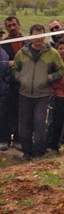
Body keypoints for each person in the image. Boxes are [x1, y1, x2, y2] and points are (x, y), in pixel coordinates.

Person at [13, 24, 64, 159]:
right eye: (36, 36)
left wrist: (48, 78)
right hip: (24, 93)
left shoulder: (52, 53)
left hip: (43, 94)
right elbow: (15, 68)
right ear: (31, 36)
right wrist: (20, 78)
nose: (39, 39)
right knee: (24, 124)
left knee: (40, 123)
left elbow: (62, 70)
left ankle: (38, 152)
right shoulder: (22, 53)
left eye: (41, 35)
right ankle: (27, 152)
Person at [1, 16, 23, 150]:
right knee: (5, 112)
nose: (12, 28)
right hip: (8, 83)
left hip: (24, 83)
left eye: (14, 24)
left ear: (19, 25)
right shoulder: (3, 44)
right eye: (9, 26)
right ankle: (4, 139)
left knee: (22, 113)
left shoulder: (27, 43)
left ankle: (18, 140)